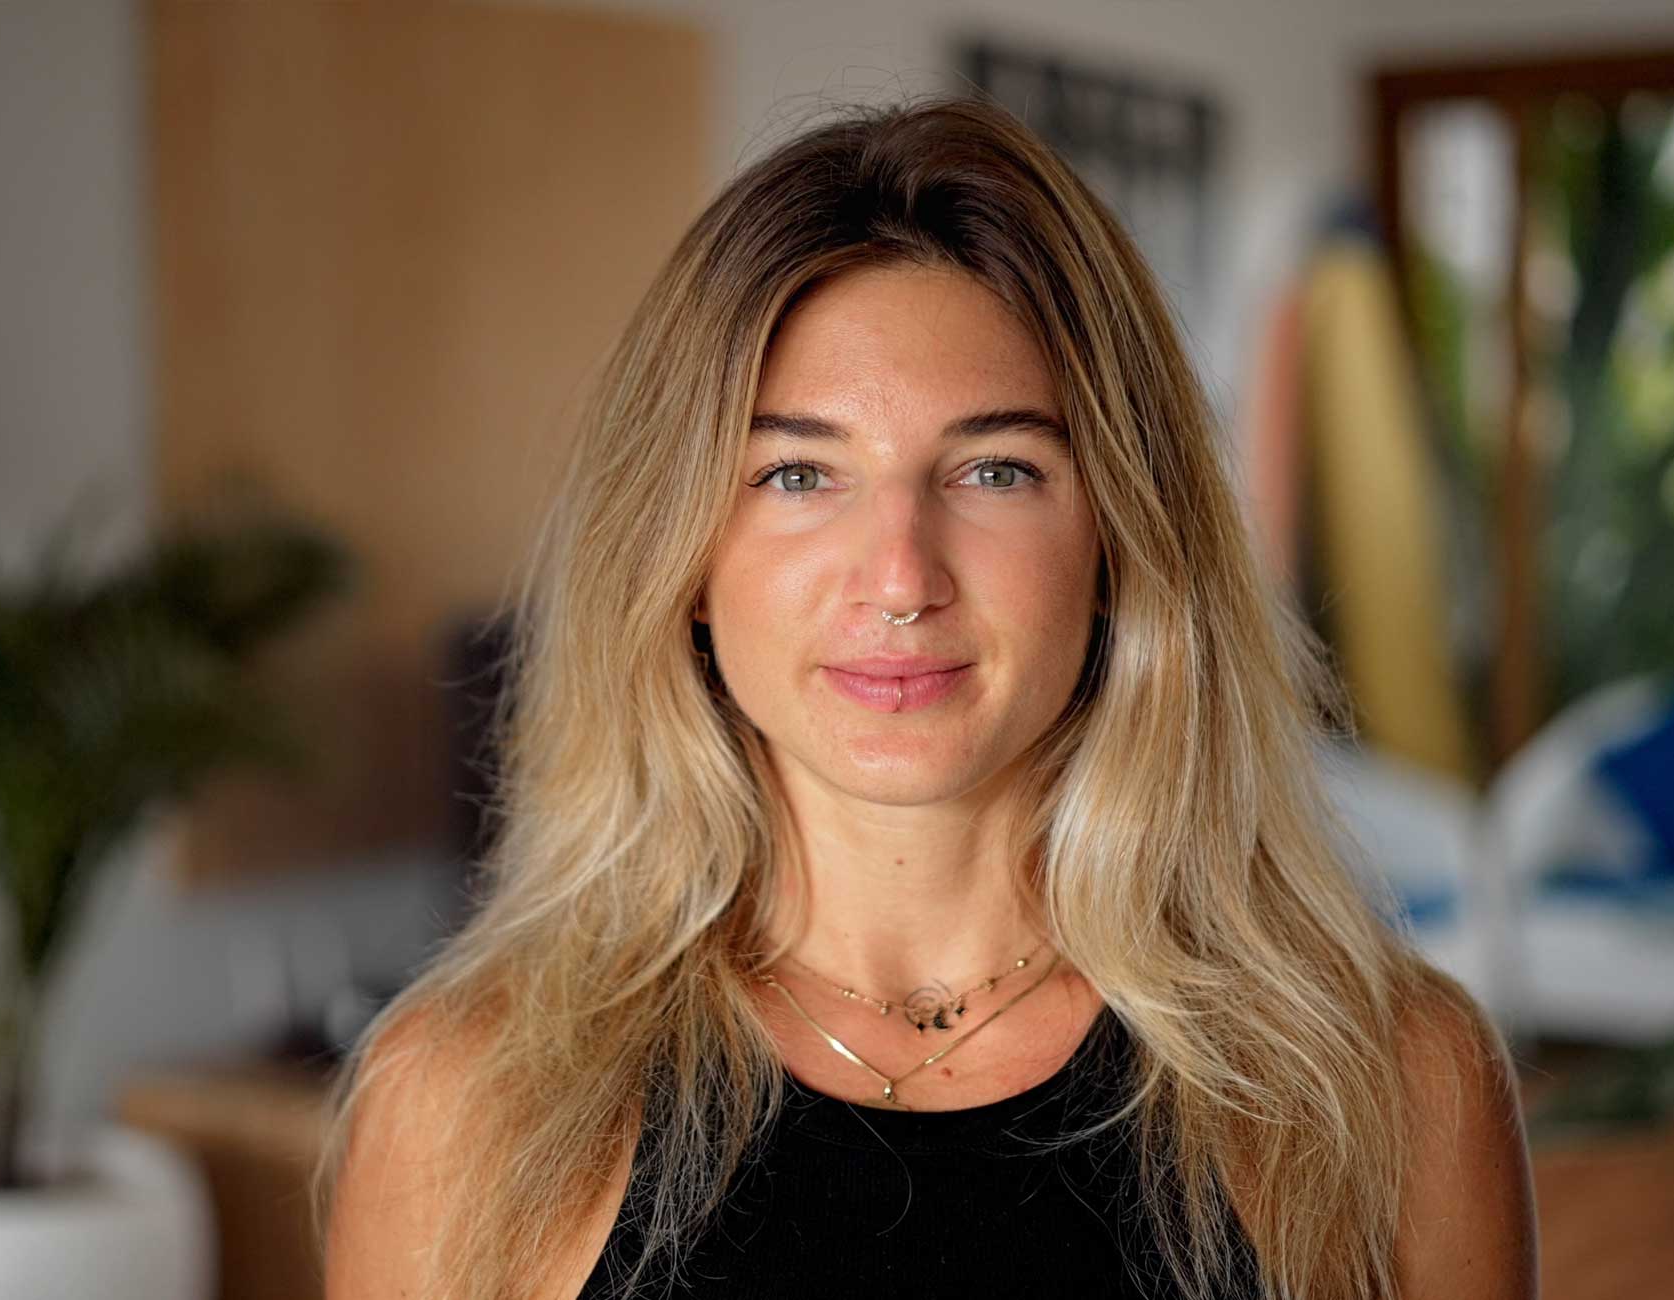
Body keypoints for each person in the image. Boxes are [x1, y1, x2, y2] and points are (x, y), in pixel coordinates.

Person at [317, 94, 1538, 1300]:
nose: (901, 578)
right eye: (798, 474)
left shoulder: (1391, 1083)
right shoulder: (459, 1101)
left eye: (995, 470)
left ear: (1119, 541)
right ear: (680, 558)